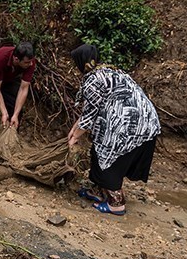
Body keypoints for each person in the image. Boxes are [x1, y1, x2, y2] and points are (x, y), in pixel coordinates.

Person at [67, 44, 161, 216]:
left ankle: (116, 203)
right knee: (98, 150)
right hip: (147, 121)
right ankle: (98, 191)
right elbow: (89, 110)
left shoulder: (93, 80)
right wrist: (75, 130)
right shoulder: (111, 71)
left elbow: (90, 113)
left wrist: (74, 138)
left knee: (109, 159)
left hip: (127, 125)